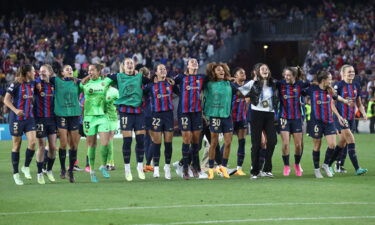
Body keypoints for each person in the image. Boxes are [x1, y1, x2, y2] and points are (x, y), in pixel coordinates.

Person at [107, 58, 149, 181]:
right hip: (126, 112)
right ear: (123, 66)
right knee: (127, 141)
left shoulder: (140, 77)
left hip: (139, 111)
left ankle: (140, 167)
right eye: (127, 63)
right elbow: (105, 80)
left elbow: (153, 81)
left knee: (141, 140)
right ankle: (127, 169)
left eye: (131, 63)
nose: (130, 65)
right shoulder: (118, 76)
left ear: (134, 66)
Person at [238, 63, 278, 179]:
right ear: (258, 72)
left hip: (270, 114)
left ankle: (267, 169)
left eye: (267, 68)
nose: (265, 70)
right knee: (256, 144)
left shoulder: (274, 83)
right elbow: (239, 93)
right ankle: (254, 171)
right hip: (256, 114)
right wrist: (250, 94)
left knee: (273, 141)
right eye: (262, 69)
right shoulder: (252, 83)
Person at [305, 71, 347, 178]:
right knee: (317, 145)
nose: (331, 80)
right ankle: (316, 169)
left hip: (329, 122)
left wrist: (346, 102)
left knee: (332, 145)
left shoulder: (330, 90)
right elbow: (301, 91)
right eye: (330, 78)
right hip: (316, 122)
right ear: (323, 80)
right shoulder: (312, 90)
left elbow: (336, 99)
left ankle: (325, 165)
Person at [45, 65, 82, 183]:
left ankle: (70, 170)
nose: (70, 70)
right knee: (63, 143)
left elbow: (87, 82)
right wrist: (45, 70)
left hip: (75, 115)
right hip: (61, 115)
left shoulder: (77, 83)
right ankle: (62, 168)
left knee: (74, 145)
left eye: (71, 69)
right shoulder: (56, 81)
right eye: (67, 69)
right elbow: (46, 77)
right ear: (62, 73)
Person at [329, 65, 368, 175]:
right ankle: (357, 168)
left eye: (353, 71)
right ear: (343, 73)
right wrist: (339, 117)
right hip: (341, 117)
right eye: (349, 72)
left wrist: (363, 113)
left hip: (351, 118)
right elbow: (332, 103)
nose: (351, 73)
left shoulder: (356, 85)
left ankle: (327, 164)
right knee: (351, 139)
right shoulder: (338, 85)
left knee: (342, 142)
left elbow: (359, 102)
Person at [4, 65, 37, 185]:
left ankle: (26, 167)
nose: (35, 72)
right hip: (17, 119)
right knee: (17, 145)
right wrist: (15, 110)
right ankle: (16, 174)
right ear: (27, 72)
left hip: (29, 118)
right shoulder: (16, 83)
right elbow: (6, 100)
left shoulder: (33, 83)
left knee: (33, 142)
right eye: (33, 71)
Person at [144, 64, 177, 179]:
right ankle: (156, 168)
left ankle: (167, 167)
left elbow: (180, 92)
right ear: (156, 73)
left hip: (168, 115)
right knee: (157, 143)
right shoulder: (151, 86)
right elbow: (141, 95)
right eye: (160, 69)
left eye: (164, 69)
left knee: (168, 143)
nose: (163, 70)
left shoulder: (170, 84)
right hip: (156, 116)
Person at [204, 62, 237, 179]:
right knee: (214, 143)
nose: (221, 71)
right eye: (218, 70)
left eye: (222, 70)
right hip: (215, 116)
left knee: (228, 143)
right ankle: (211, 168)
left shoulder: (229, 84)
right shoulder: (208, 84)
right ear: (213, 72)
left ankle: (223, 167)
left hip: (227, 116)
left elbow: (240, 93)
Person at [80, 64, 112, 182]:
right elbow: (76, 86)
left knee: (105, 143)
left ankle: (103, 166)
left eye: (92, 70)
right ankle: (92, 171)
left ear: (98, 71)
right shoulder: (84, 84)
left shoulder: (106, 81)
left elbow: (117, 77)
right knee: (91, 145)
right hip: (89, 118)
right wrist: (84, 79)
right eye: (88, 70)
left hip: (102, 116)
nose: (90, 72)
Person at [174, 58, 205, 179]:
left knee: (196, 142)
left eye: (196, 61)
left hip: (197, 112)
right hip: (184, 112)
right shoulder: (181, 77)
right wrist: (179, 92)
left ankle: (195, 166)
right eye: (191, 62)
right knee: (187, 139)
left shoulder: (202, 78)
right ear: (187, 65)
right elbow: (169, 83)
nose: (194, 63)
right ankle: (185, 169)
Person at [277, 66, 308, 176]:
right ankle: (286, 166)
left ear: (294, 76)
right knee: (285, 144)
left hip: (297, 118)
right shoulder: (280, 84)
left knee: (298, 145)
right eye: (285, 75)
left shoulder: (299, 85)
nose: (286, 77)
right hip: (284, 117)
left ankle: (297, 164)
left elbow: (308, 84)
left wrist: (301, 73)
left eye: (289, 75)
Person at [34, 64, 57, 183]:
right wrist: (37, 79)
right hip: (40, 119)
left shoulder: (53, 85)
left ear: (50, 72)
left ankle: (49, 170)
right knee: (42, 146)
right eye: (40, 71)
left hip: (52, 119)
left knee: (53, 147)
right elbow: (31, 80)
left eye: (44, 71)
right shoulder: (37, 85)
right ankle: (39, 173)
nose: (41, 73)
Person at [230, 67, 248, 176]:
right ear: (235, 76)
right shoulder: (232, 86)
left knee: (242, 142)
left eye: (244, 73)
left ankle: (239, 168)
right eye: (241, 73)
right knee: (228, 142)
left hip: (242, 117)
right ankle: (222, 166)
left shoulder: (246, 87)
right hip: (231, 118)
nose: (243, 74)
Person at [105, 86, 119, 171]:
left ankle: (110, 163)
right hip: (102, 117)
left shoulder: (114, 91)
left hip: (112, 118)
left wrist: (116, 109)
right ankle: (108, 163)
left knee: (109, 139)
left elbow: (119, 102)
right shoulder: (100, 88)